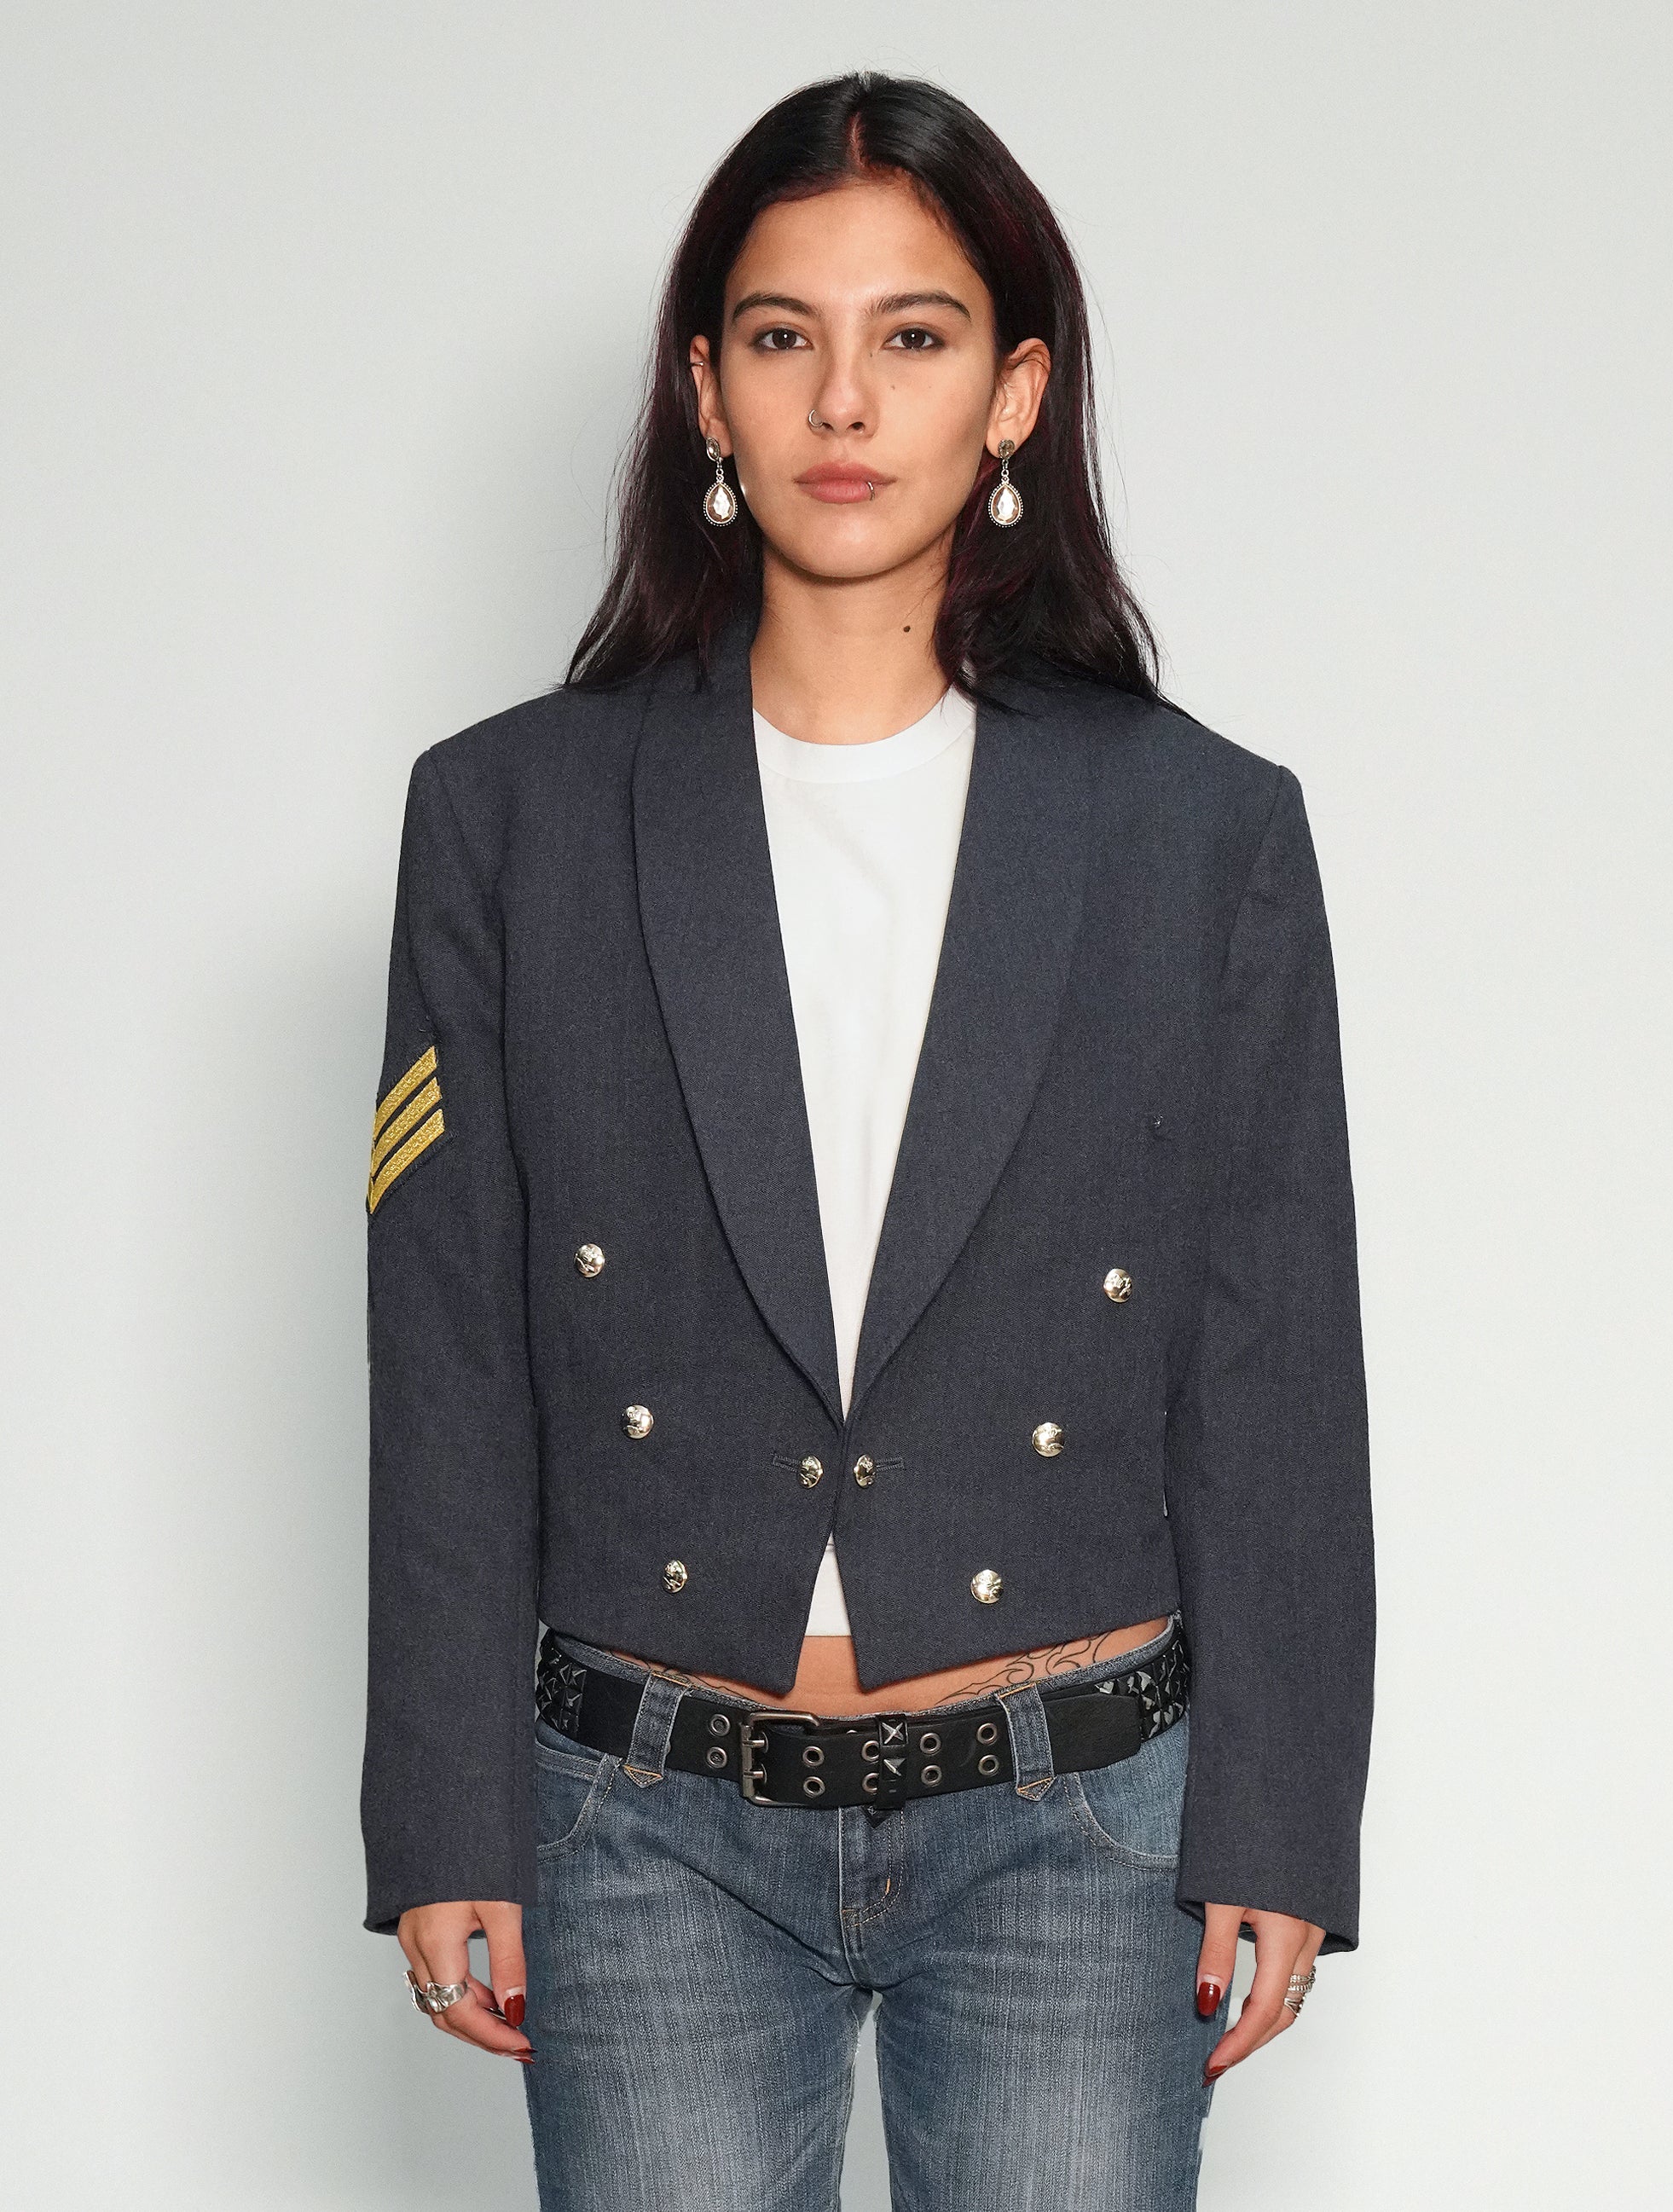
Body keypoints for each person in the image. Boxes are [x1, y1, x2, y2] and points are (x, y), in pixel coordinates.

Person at [360, 71, 1375, 2212]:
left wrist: (1279, 1820)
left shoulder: (1197, 831)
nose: (843, 399)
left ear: (1013, 395)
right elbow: (447, 1347)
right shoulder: (510, 818)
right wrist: (445, 1814)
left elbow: (1272, 1353)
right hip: (638, 1818)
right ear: (702, 390)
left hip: (1078, 1822)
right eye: (780, 335)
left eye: (912, 336)